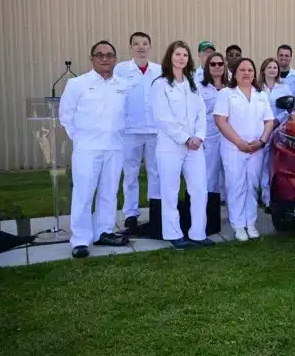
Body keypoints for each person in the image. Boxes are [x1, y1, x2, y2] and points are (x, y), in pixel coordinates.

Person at [59, 40, 130, 258]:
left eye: (109, 55)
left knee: (109, 192)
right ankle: (80, 240)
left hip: (115, 147)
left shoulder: (123, 85)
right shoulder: (77, 84)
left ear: (115, 59)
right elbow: (66, 115)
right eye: (100, 55)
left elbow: (126, 115)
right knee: (83, 193)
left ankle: (104, 232)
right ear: (92, 58)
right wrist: (80, 139)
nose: (105, 58)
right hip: (87, 149)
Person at [151, 40, 214, 250]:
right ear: (170, 57)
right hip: (171, 146)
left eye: (185, 55)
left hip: (195, 146)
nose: (181, 58)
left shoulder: (192, 84)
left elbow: (200, 114)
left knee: (199, 189)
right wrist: (185, 138)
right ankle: (174, 233)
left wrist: (198, 136)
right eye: (177, 54)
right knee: (170, 191)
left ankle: (198, 233)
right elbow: (163, 117)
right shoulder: (160, 84)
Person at [214, 58, 275, 241]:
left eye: (250, 69)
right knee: (236, 185)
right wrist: (239, 142)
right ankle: (238, 225)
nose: (246, 73)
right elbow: (220, 121)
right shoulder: (227, 93)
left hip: (256, 149)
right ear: (235, 73)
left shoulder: (260, 95)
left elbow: (269, 121)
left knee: (252, 185)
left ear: (255, 73)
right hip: (234, 149)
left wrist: (262, 141)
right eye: (242, 69)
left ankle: (251, 223)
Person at [114, 31, 163, 234]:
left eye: (144, 43)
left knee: (155, 173)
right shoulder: (121, 70)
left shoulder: (159, 70)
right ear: (131, 48)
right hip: (130, 131)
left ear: (150, 47)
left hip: (154, 130)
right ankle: (131, 214)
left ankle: (155, 211)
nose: (141, 47)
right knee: (131, 173)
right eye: (136, 44)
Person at [198, 53, 230, 233]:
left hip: (229, 138)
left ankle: (236, 218)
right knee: (209, 178)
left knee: (231, 178)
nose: (217, 67)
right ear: (207, 68)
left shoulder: (231, 89)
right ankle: (210, 220)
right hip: (209, 138)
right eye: (213, 64)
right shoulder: (200, 89)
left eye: (220, 64)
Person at [259, 57, 291, 210]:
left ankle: (269, 200)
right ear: (263, 69)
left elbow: (290, 109)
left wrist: (275, 122)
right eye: (269, 67)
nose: (272, 70)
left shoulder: (284, 88)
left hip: (277, 130)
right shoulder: (257, 88)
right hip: (259, 130)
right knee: (259, 164)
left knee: (271, 163)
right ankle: (261, 196)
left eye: (275, 67)